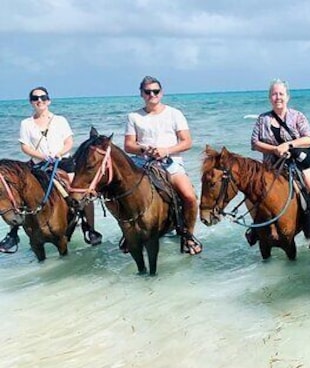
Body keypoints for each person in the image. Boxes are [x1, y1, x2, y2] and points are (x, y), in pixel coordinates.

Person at [0, 87, 102, 253]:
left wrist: (58, 153)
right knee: (20, 193)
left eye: (42, 97)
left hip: (62, 162)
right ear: (31, 102)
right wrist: (41, 155)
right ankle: (13, 232)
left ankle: (89, 228)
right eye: (35, 98)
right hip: (38, 164)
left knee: (82, 193)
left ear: (48, 100)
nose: (39, 100)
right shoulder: (26, 123)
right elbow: (24, 147)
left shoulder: (60, 120)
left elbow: (69, 141)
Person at [124, 76, 202, 255]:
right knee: (122, 194)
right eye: (148, 92)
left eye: (155, 91)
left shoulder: (175, 114)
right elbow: (128, 145)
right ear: (142, 94)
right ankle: (128, 234)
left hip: (170, 162)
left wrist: (166, 150)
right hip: (142, 163)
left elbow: (187, 142)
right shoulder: (134, 116)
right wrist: (144, 149)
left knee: (189, 197)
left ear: (161, 93)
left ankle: (188, 235)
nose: (152, 95)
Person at [250, 79, 310, 250]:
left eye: (281, 94)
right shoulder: (262, 119)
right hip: (271, 166)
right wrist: (274, 150)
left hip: (299, 164)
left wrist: (289, 145)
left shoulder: (297, 116)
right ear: (269, 97)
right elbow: (255, 143)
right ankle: (256, 228)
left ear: (287, 96)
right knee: (250, 195)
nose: (277, 97)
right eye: (274, 94)